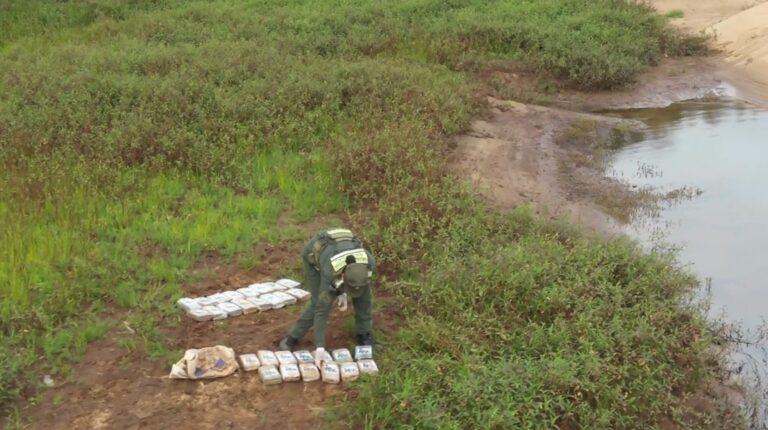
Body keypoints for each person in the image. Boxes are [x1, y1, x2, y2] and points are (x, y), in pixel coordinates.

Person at [278, 228, 379, 365]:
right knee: (317, 302)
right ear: (342, 276)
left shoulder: (369, 264)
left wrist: (343, 290)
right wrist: (320, 347)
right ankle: (292, 337)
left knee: (364, 298)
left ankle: (364, 336)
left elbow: (360, 289)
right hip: (316, 252)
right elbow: (321, 309)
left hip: (343, 250)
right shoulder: (330, 270)